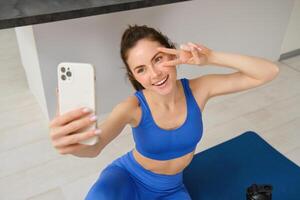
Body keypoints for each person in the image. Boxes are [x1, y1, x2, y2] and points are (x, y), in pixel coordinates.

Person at [49, 25, 279, 199]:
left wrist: (211, 58)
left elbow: (267, 71)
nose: (155, 74)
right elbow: (94, 148)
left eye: (158, 59)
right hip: (126, 180)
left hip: (171, 189)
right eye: (141, 69)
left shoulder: (199, 90)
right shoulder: (133, 107)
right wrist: (70, 144)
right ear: (135, 77)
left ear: (172, 55)